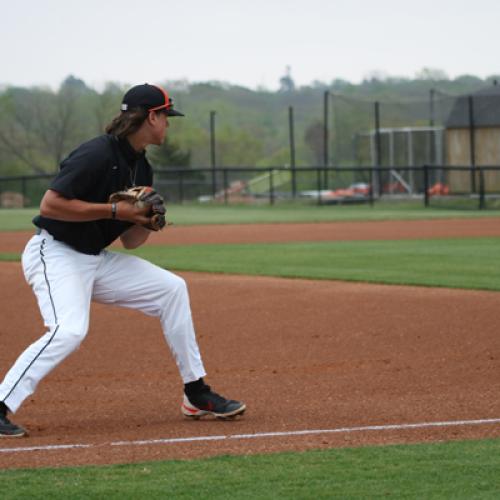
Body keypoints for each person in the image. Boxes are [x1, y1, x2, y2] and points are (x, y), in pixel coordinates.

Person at [0, 83, 245, 437]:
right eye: (166, 117)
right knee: (69, 330)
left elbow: (131, 242)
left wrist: (146, 221)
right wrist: (116, 209)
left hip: (94, 259)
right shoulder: (97, 153)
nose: (169, 125)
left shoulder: (142, 169)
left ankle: (196, 393)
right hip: (55, 252)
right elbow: (49, 205)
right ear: (151, 117)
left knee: (172, 290)